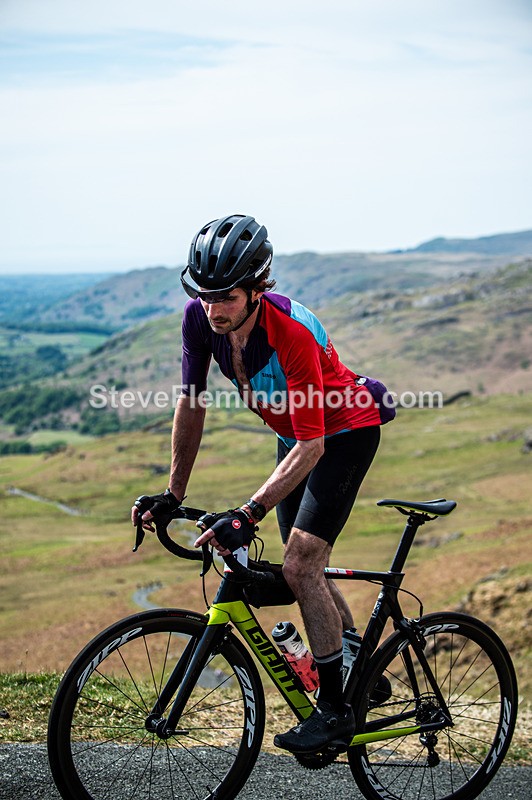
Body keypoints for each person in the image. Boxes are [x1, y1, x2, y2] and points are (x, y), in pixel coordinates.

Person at [132, 214, 395, 753]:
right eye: (202, 294)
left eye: (225, 295)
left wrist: (245, 512)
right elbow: (191, 403)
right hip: (297, 433)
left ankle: (336, 711)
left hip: (340, 433)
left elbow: (314, 446)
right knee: (304, 567)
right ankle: (359, 671)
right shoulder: (200, 321)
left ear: (256, 287)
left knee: (301, 563)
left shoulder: (291, 333)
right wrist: (173, 493)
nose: (212, 307)